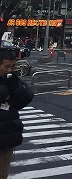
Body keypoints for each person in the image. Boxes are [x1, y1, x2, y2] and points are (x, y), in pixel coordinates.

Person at [0, 49, 34, 178]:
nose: (10, 70)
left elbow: (27, 97)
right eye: (6, 66)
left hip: (6, 136)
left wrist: (15, 87)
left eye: (13, 66)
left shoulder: (13, 81)